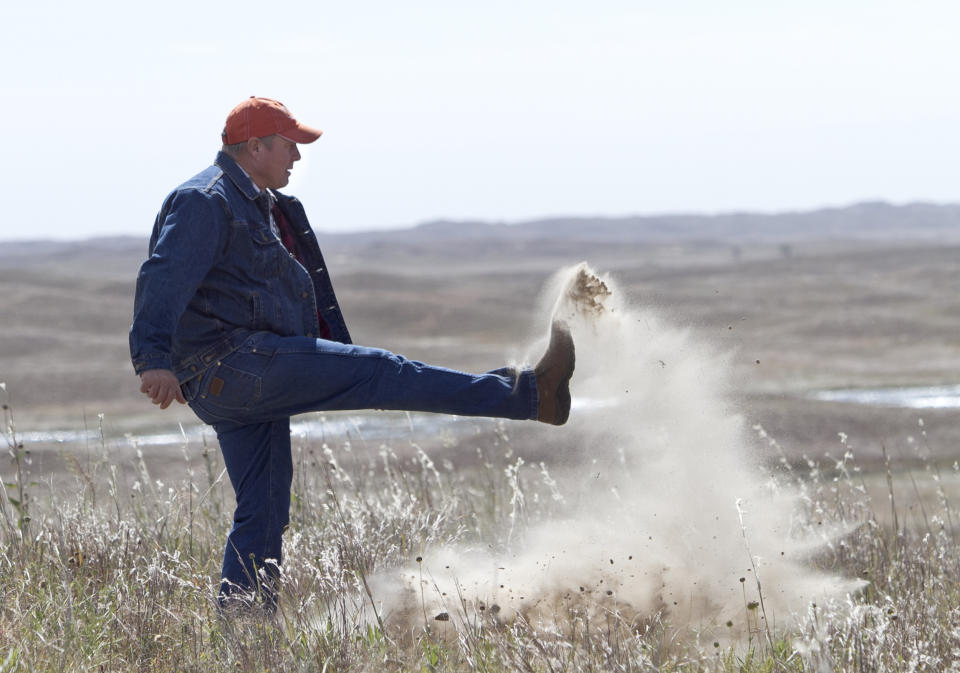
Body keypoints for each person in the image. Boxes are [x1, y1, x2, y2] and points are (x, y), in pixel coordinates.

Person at [129, 96, 575, 606]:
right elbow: (163, 277)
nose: (297, 157)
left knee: (265, 507)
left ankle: (245, 633)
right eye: (289, 146)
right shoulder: (205, 200)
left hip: (242, 372)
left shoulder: (265, 204)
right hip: (236, 365)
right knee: (382, 371)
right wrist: (156, 361)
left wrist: (324, 354)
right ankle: (529, 397)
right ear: (254, 147)